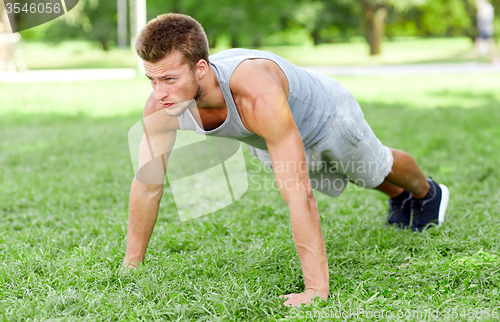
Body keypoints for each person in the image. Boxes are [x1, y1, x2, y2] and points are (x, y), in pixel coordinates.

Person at [123, 13, 450, 307]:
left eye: (169, 80)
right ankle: (399, 198)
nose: (159, 92)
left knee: (371, 167)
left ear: (201, 69)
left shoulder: (254, 95)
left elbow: (299, 195)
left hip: (325, 116)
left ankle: (427, 193)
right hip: (268, 134)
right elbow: (147, 186)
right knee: (347, 176)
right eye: (152, 80)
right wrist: (131, 265)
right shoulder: (160, 107)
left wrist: (315, 290)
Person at [474, 0, 500, 65]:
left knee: (490, 44)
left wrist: (480, 7)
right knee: (479, 43)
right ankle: (473, 59)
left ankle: (495, 59)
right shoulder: (482, 7)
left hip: (487, 29)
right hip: (482, 29)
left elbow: (485, 17)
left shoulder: (487, 7)